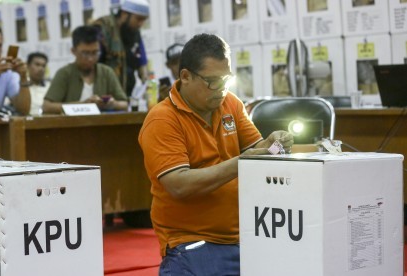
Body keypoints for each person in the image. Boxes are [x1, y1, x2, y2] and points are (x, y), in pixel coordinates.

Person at [138, 33, 294, 275]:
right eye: (212, 81)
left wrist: (271, 143)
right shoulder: (162, 119)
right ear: (185, 77)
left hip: (247, 235)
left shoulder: (230, 103)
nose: (221, 89)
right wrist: (241, 163)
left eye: (226, 79)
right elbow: (178, 184)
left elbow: (256, 150)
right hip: (191, 242)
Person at [42, 25, 127, 114]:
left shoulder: (106, 72)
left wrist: (112, 104)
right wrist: (83, 105)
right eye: (85, 53)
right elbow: (47, 106)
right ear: (73, 51)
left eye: (95, 53)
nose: (90, 58)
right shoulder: (65, 73)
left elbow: (124, 104)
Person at [90, 0, 150, 97]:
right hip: (103, 96)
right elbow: (92, 64)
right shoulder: (103, 29)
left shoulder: (134, 32)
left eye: (144, 20)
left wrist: (147, 84)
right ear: (124, 14)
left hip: (126, 96)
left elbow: (142, 63)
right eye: (138, 19)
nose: (140, 24)